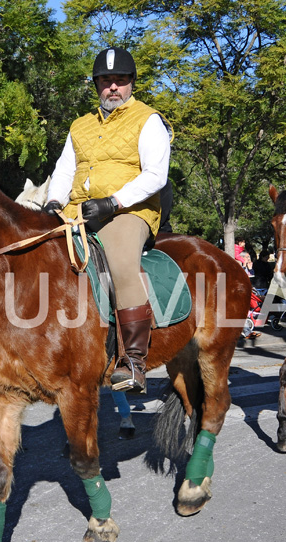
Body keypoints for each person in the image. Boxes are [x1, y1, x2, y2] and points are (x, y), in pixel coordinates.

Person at [43, 47, 172, 393]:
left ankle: (133, 360)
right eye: (105, 81)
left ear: (131, 83)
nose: (112, 87)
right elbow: (64, 169)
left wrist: (113, 202)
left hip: (130, 211)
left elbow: (156, 175)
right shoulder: (79, 126)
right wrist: (53, 202)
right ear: (96, 85)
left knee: (120, 262)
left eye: (120, 81)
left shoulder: (149, 120)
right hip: (77, 210)